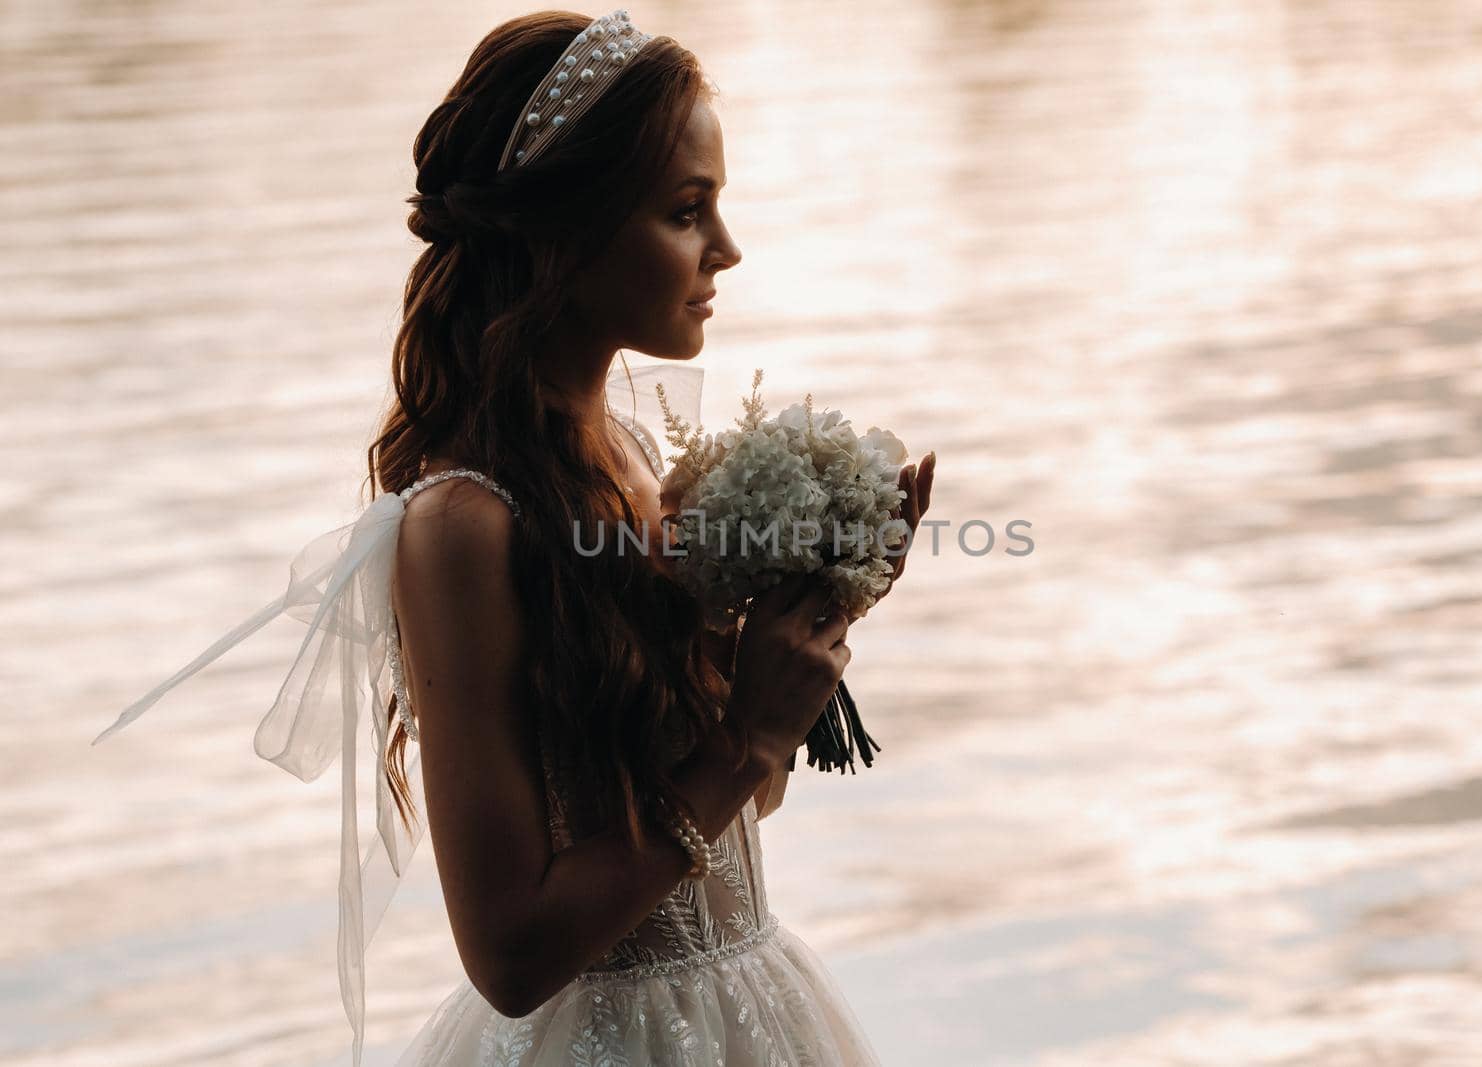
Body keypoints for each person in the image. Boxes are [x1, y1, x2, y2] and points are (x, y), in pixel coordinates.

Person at [95, 8, 933, 1064]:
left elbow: (729, 807)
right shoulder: (462, 525)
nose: (726, 247)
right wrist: (744, 742)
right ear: (563, 230)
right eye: (686, 210)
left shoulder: (629, 450)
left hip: (750, 1008)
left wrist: (816, 608)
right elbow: (509, 951)